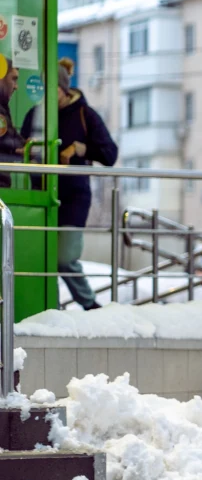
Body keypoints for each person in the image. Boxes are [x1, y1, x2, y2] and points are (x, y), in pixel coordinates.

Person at [55, 58, 119, 310]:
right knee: (38, 258)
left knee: (64, 258)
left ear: (64, 89)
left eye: (52, 89)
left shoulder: (85, 114)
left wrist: (81, 149)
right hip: (41, 195)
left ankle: (90, 305)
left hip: (73, 197)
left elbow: (110, 154)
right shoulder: (39, 113)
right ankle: (50, 308)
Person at [0, 56, 25, 186]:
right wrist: (23, 147)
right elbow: (6, 140)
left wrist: (24, 144)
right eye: (13, 79)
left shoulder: (3, 107)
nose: (16, 87)